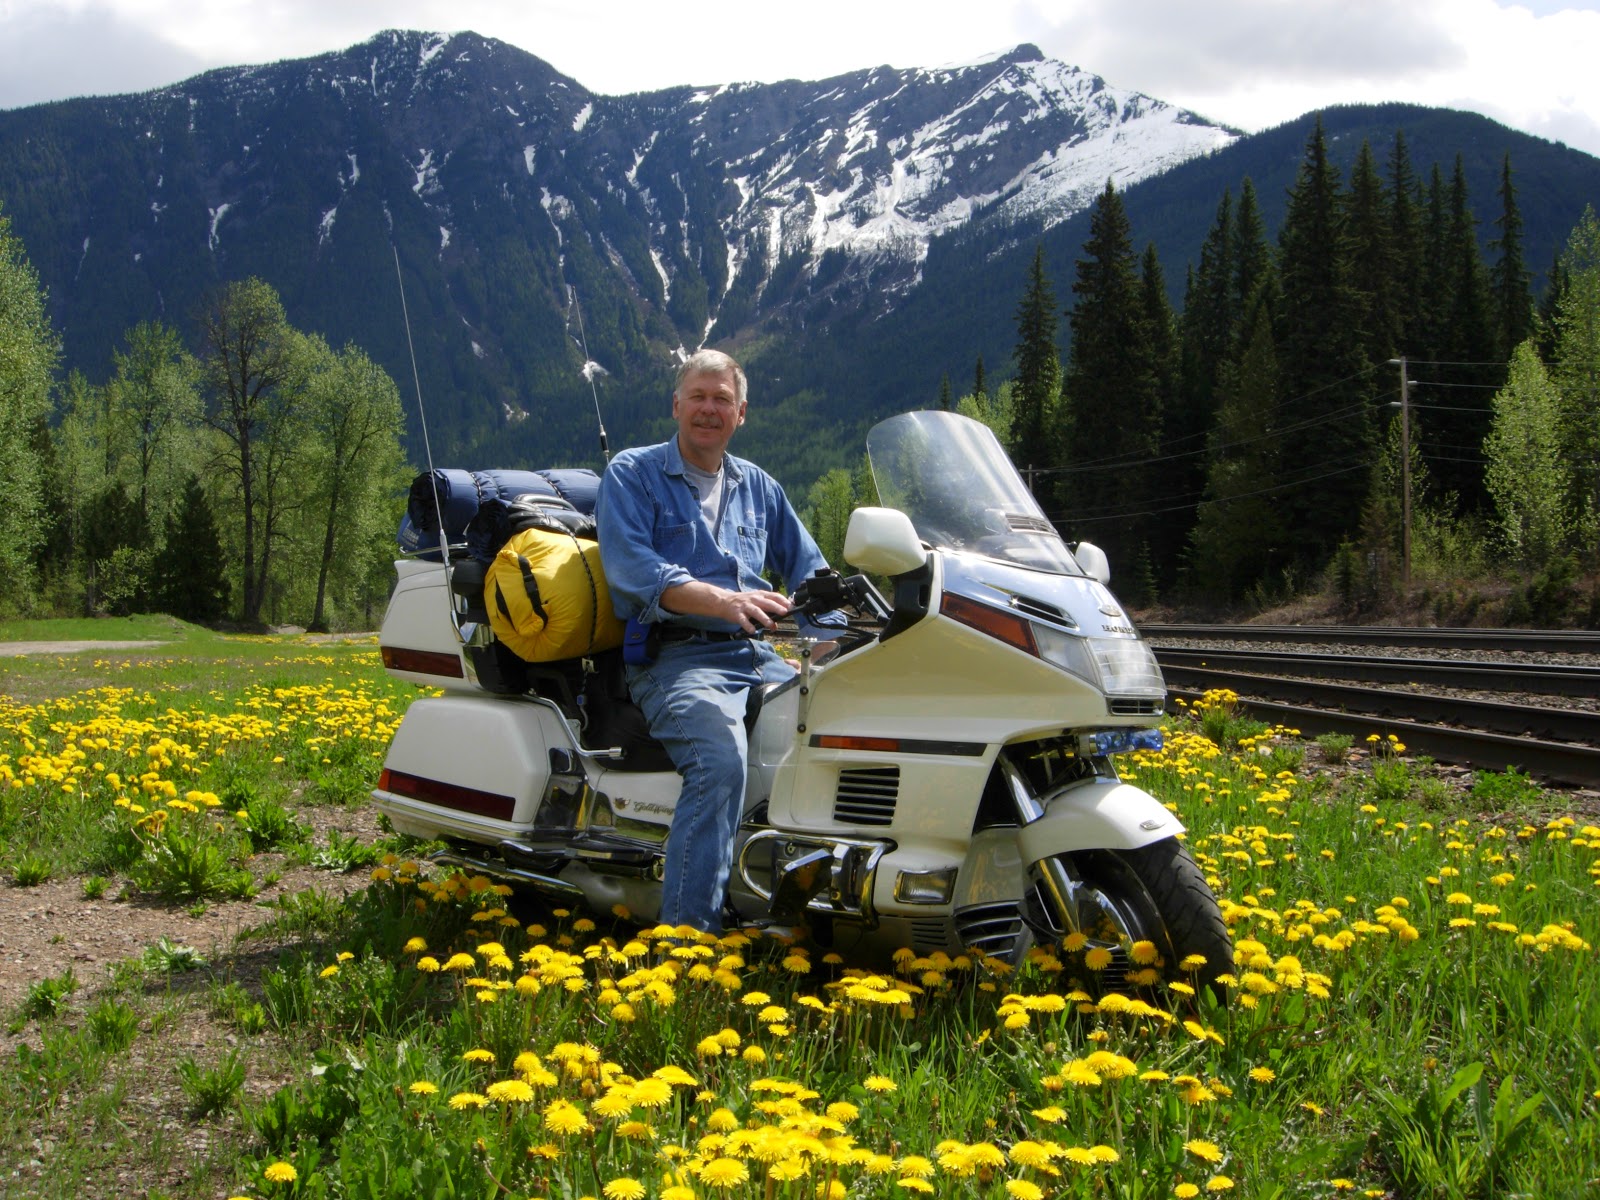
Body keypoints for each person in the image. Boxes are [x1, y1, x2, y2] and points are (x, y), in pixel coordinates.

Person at [596, 349, 840, 933]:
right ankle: (687, 944)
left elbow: (811, 573)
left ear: (741, 412)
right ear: (676, 404)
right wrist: (725, 602)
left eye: (721, 399)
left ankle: (805, 902)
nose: (709, 409)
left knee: (842, 731)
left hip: (758, 654)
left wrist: (840, 635)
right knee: (719, 763)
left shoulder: (759, 486)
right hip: (677, 656)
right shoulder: (634, 474)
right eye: (699, 397)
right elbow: (633, 570)